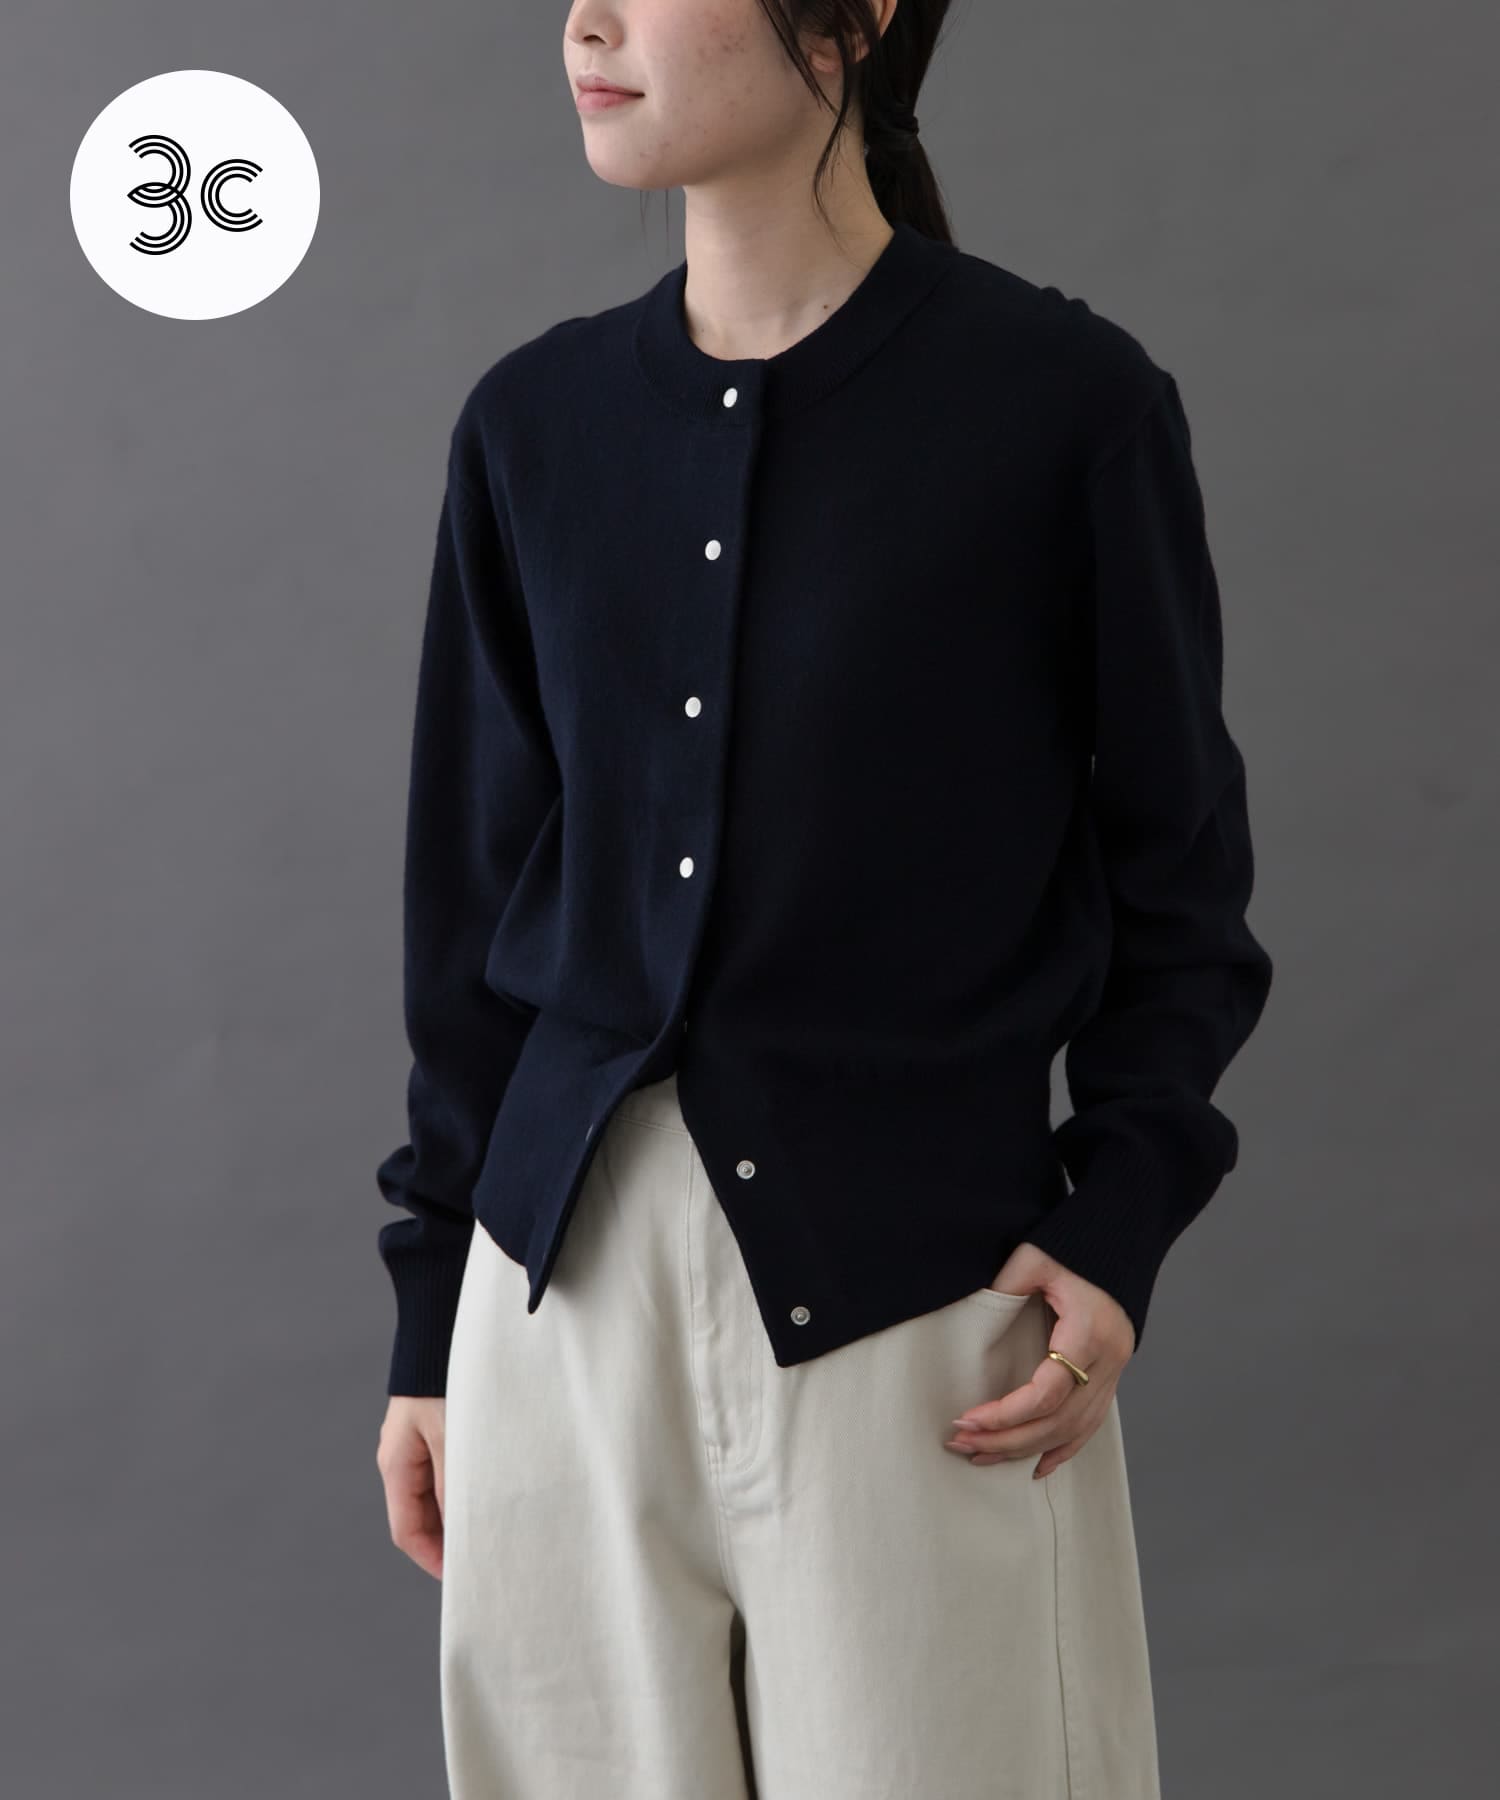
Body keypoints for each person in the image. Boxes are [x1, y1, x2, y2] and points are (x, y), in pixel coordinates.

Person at [373, 3, 1274, 1796]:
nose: (587, 20)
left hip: (917, 1310)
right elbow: (470, 926)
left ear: (854, 16)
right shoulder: (533, 427)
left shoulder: (1063, 409)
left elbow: (1181, 887)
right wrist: (430, 1329)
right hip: (557, 1309)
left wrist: (1121, 1217)